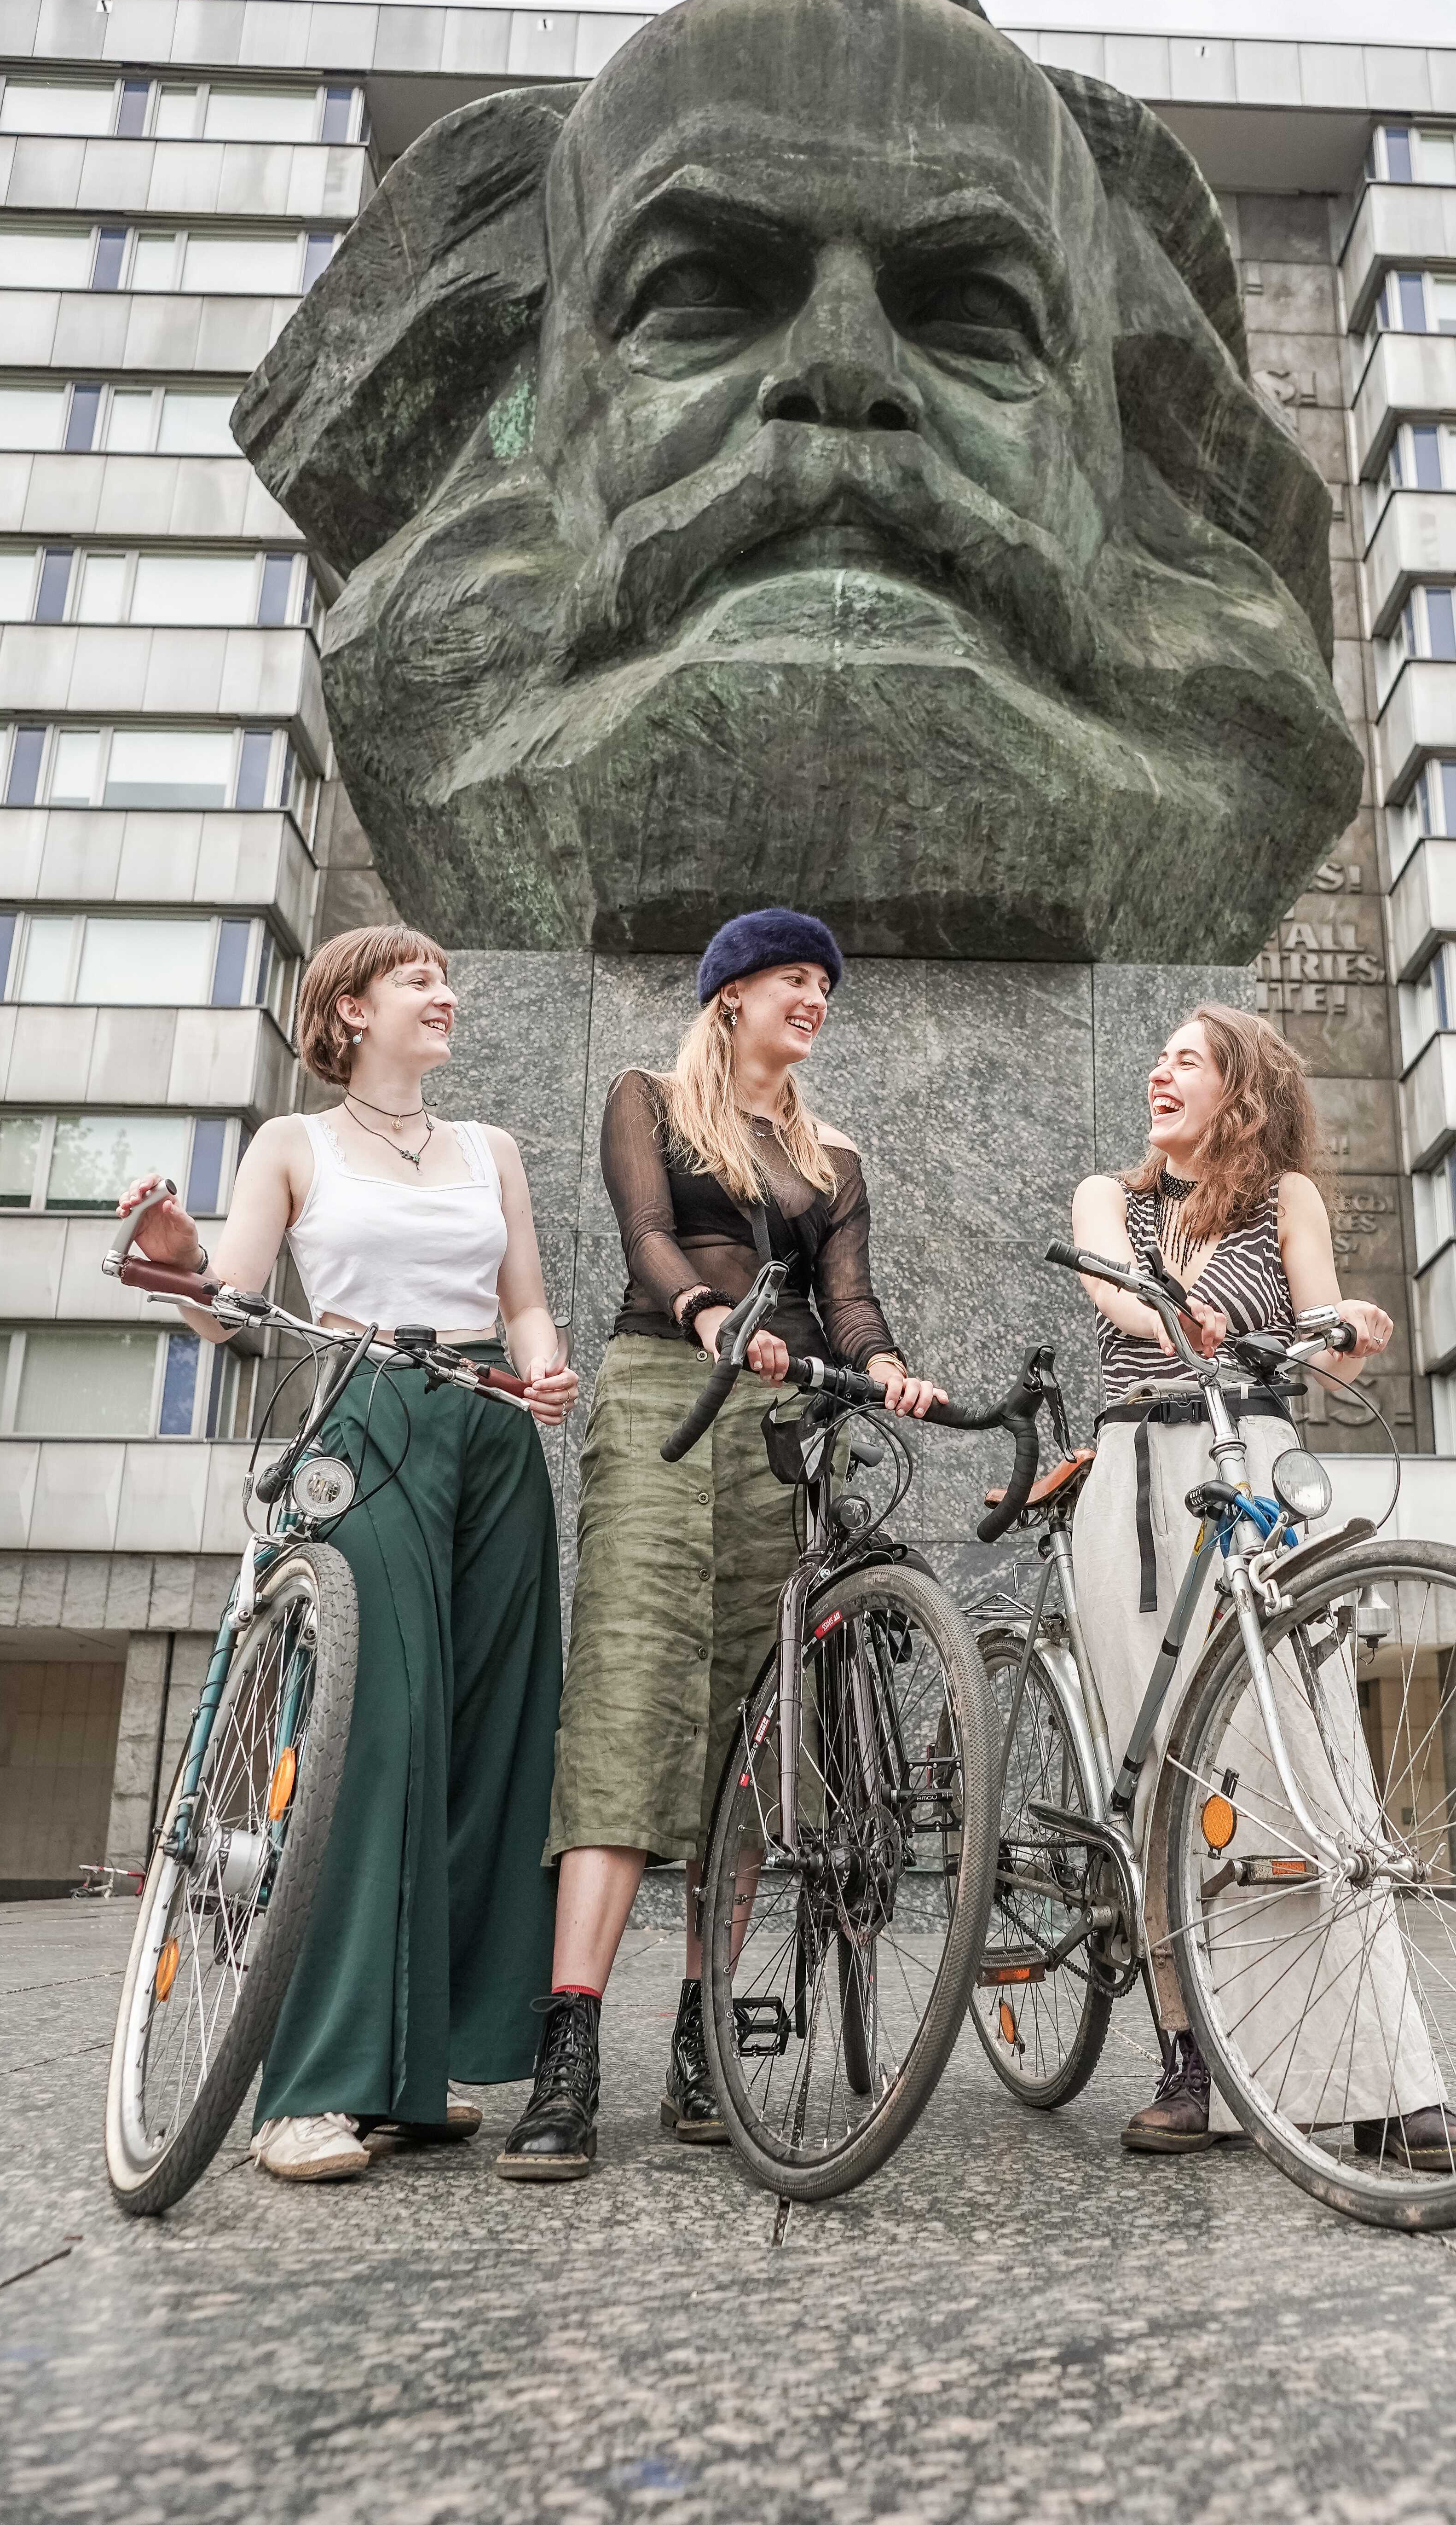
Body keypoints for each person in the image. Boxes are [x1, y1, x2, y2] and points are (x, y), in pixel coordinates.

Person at [115, 923, 578, 2184]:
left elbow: (524, 1294)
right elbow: (231, 1301)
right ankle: (310, 2085)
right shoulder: (293, 1144)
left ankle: (419, 2072)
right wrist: (174, 1262)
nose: (445, 992)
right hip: (366, 1409)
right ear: (350, 1010)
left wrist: (540, 1365)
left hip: (491, 1427)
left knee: (491, 1739)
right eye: (417, 978)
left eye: (444, 976)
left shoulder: (491, 1148)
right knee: (376, 1732)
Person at [497, 908, 944, 2183]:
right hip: (662, 1397)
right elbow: (645, 1234)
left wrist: (886, 1366)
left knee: (761, 1724)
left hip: (788, 1425)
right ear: (731, 995)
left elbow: (847, 1295)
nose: (813, 998)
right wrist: (706, 1314)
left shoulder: (833, 1151)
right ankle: (568, 2050)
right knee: (628, 1696)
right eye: (792, 979)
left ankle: (704, 2035)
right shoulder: (648, 1098)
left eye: (824, 985)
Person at [1069, 1001, 1456, 2170]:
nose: (1160, 1070)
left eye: (1186, 1058)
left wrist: (1344, 1328)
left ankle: (1384, 2080)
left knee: (1307, 1773)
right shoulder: (1111, 1196)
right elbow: (1112, 1291)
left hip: (1250, 1460)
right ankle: (1187, 2058)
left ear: (1237, 1088)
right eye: (1157, 1055)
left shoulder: (1282, 1198)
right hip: (1133, 1476)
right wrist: (1165, 1309)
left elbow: (1316, 1316)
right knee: (1155, 1777)